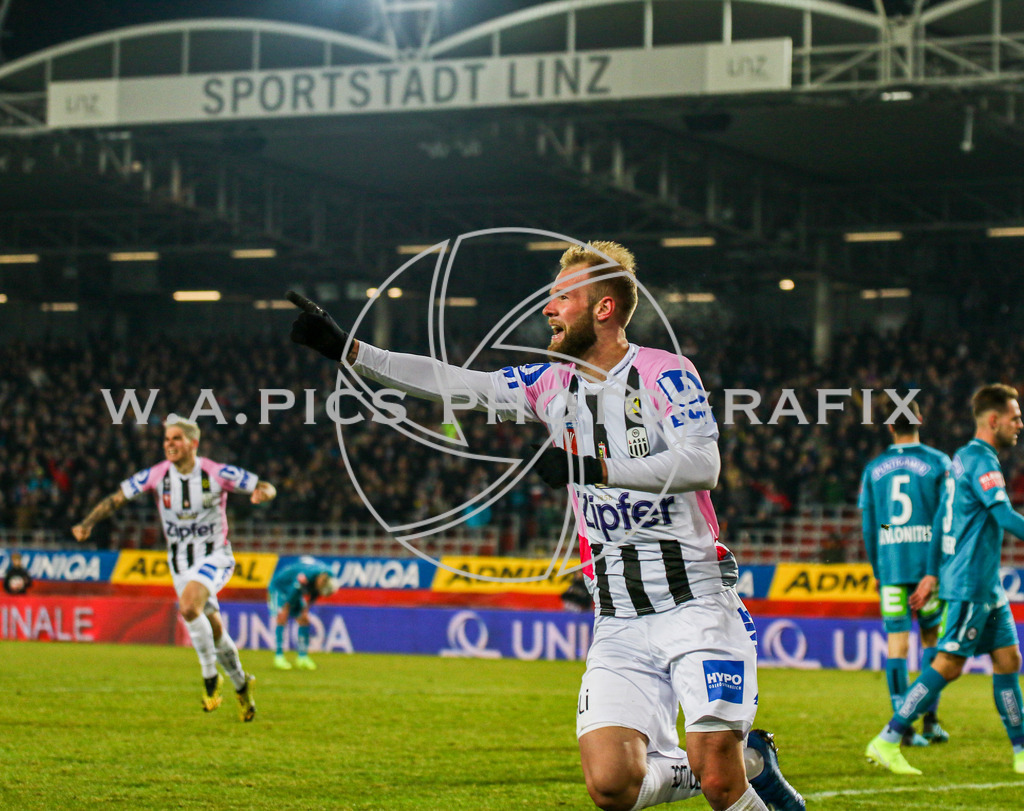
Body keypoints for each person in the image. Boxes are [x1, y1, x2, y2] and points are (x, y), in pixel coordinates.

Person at [286, 241, 804, 811]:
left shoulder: (664, 371)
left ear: (602, 309)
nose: (548, 310)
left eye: (562, 298)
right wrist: (349, 350)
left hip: (696, 606)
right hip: (620, 621)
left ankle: (730, 769)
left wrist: (597, 466)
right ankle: (743, 760)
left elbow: (703, 462)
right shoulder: (549, 384)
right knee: (611, 784)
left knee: (720, 784)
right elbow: (457, 383)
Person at [72, 415, 276, 722]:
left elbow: (264, 485)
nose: (170, 444)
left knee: (188, 606)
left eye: (177, 438)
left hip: (215, 556)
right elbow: (117, 498)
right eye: (167, 439)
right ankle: (241, 683)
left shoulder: (215, 472)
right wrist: (87, 523)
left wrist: (263, 493)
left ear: (193, 443)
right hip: (180, 562)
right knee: (214, 627)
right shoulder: (156, 475)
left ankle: (210, 677)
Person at [867, 384, 1024, 775]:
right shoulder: (978, 461)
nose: (1020, 424)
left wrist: (933, 572)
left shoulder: (960, 459)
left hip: (980, 582)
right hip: (970, 581)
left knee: (1008, 660)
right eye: (1014, 417)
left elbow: (940, 519)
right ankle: (889, 737)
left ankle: (1021, 752)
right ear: (993, 420)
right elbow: (1004, 516)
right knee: (948, 663)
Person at [858, 400, 952, 746]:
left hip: (893, 568)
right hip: (929, 570)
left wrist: (878, 569)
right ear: (920, 419)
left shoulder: (874, 469)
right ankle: (929, 721)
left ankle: (904, 727)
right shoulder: (938, 463)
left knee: (896, 646)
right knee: (932, 643)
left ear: (889, 426)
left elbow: (870, 525)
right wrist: (939, 568)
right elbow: (946, 519)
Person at [268, 557, 337, 670]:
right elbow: (294, 590)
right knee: (282, 617)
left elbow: (316, 592)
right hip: (280, 588)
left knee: (304, 619)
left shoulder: (326, 578)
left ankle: (302, 657)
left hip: (294, 590)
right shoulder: (307, 575)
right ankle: (279, 656)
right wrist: (286, 607)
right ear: (321, 580)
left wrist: (307, 607)